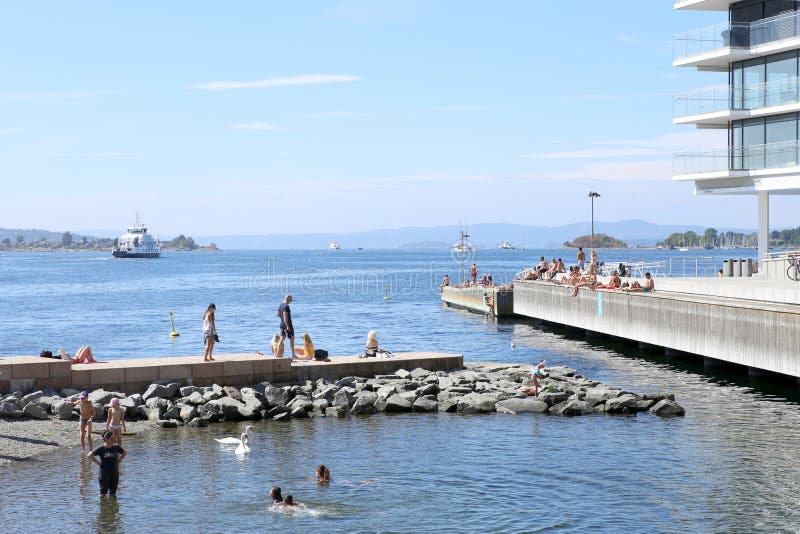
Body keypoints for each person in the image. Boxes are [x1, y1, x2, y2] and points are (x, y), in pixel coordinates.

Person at [87, 431, 126, 498]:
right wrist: (99, 463)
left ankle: (112, 507)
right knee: (103, 493)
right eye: (111, 438)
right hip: (104, 472)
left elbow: (124, 453)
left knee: (113, 493)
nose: (114, 440)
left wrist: (119, 460)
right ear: (106, 439)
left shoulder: (116, 447)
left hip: (114, 472)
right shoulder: (101, 448)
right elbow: (89, 455)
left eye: (114, 438)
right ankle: (103, 507)